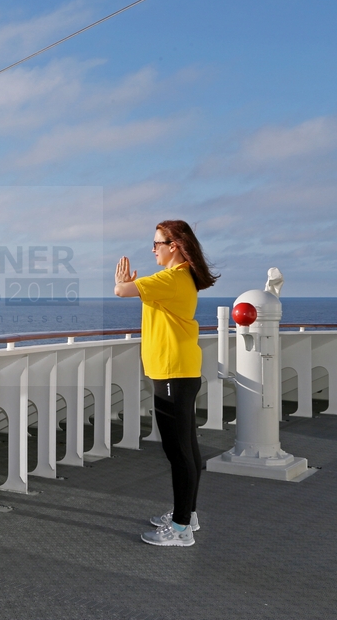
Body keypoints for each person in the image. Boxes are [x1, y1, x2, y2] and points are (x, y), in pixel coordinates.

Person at [114, 220, 219, 547]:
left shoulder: (172, 277)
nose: (153, 249)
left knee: (178, 453)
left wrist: (121, 281)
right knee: (187, 448)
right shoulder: (179, 277)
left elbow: (121, 291)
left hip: (173, 373)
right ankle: (187, 514)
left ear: (174, 245)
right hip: (179, 371)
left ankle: (180, 528)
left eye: (157, 243)